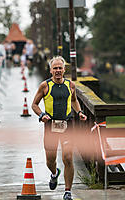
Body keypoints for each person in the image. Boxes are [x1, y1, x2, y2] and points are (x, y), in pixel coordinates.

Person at [31, 56, 87, 200]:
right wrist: (41, 114)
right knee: (50, 160)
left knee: (68, 158)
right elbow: (34, 105)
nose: (57, 70)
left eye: (60, 68)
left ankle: (68, 191)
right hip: (50, 126)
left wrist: (79, 112)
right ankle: (55, 173)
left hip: (67, 125)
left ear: (64, 70)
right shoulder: (45, 86)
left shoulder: (71, 85)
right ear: (50, 70)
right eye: (55, 68)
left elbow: (74, 100)